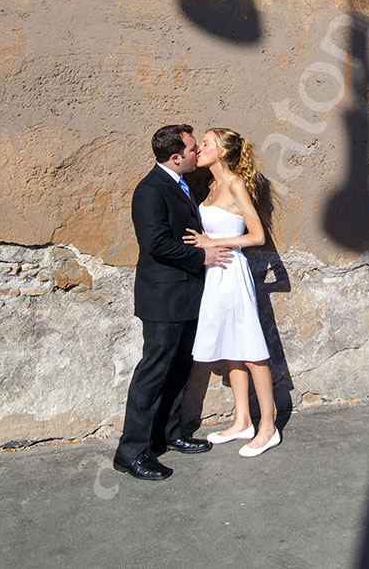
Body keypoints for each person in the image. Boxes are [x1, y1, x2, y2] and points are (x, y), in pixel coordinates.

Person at [113, 124, 233, 481]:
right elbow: (156, 244)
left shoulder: (180, 184)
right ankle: (130, 451)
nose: (198, 153)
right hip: (163, 298)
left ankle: (170, 433)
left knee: (181, 366)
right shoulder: (151, 190)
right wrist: (203, 258)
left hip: (186, 295)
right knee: (153, 371)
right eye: (193, 149)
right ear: (175, 156)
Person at [182, 127, 280, 458]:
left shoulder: (236, 184)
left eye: (206, 144)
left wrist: (214, 242)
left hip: (233, 272)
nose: (200, 149)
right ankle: (242, 421)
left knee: (251, 350)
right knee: (231, 349)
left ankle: (269, 427)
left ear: (223, 152)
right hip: (214, 275)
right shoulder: (211, 185)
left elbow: (257, 237)